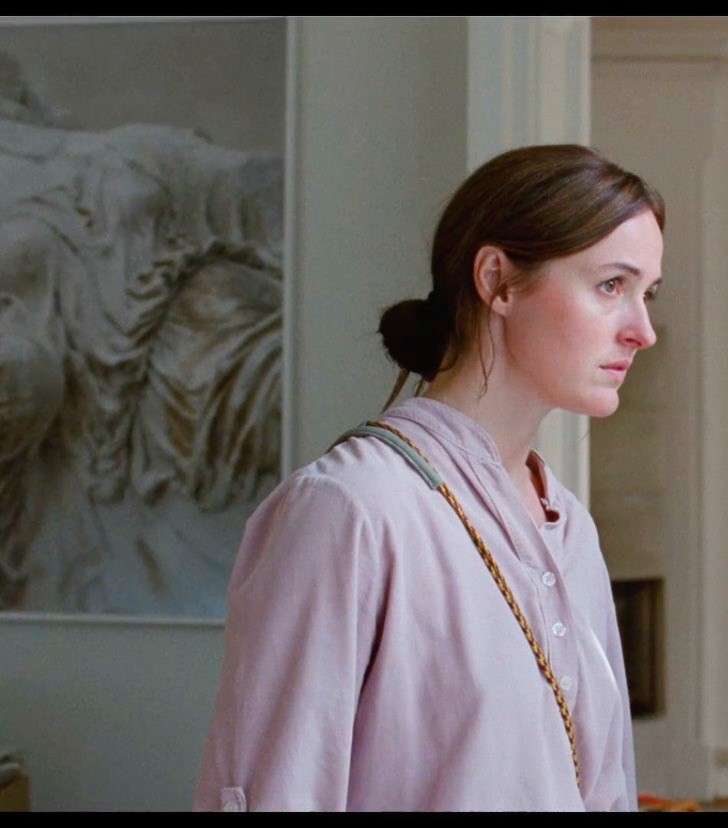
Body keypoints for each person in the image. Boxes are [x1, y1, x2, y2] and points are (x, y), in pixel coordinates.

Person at [194, 144, 665, 811]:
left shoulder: (569, 529)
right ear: (499, 281)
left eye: (648, 294)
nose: (643, 330)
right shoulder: (350, 509)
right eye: (612, 286)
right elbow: (280, 792)